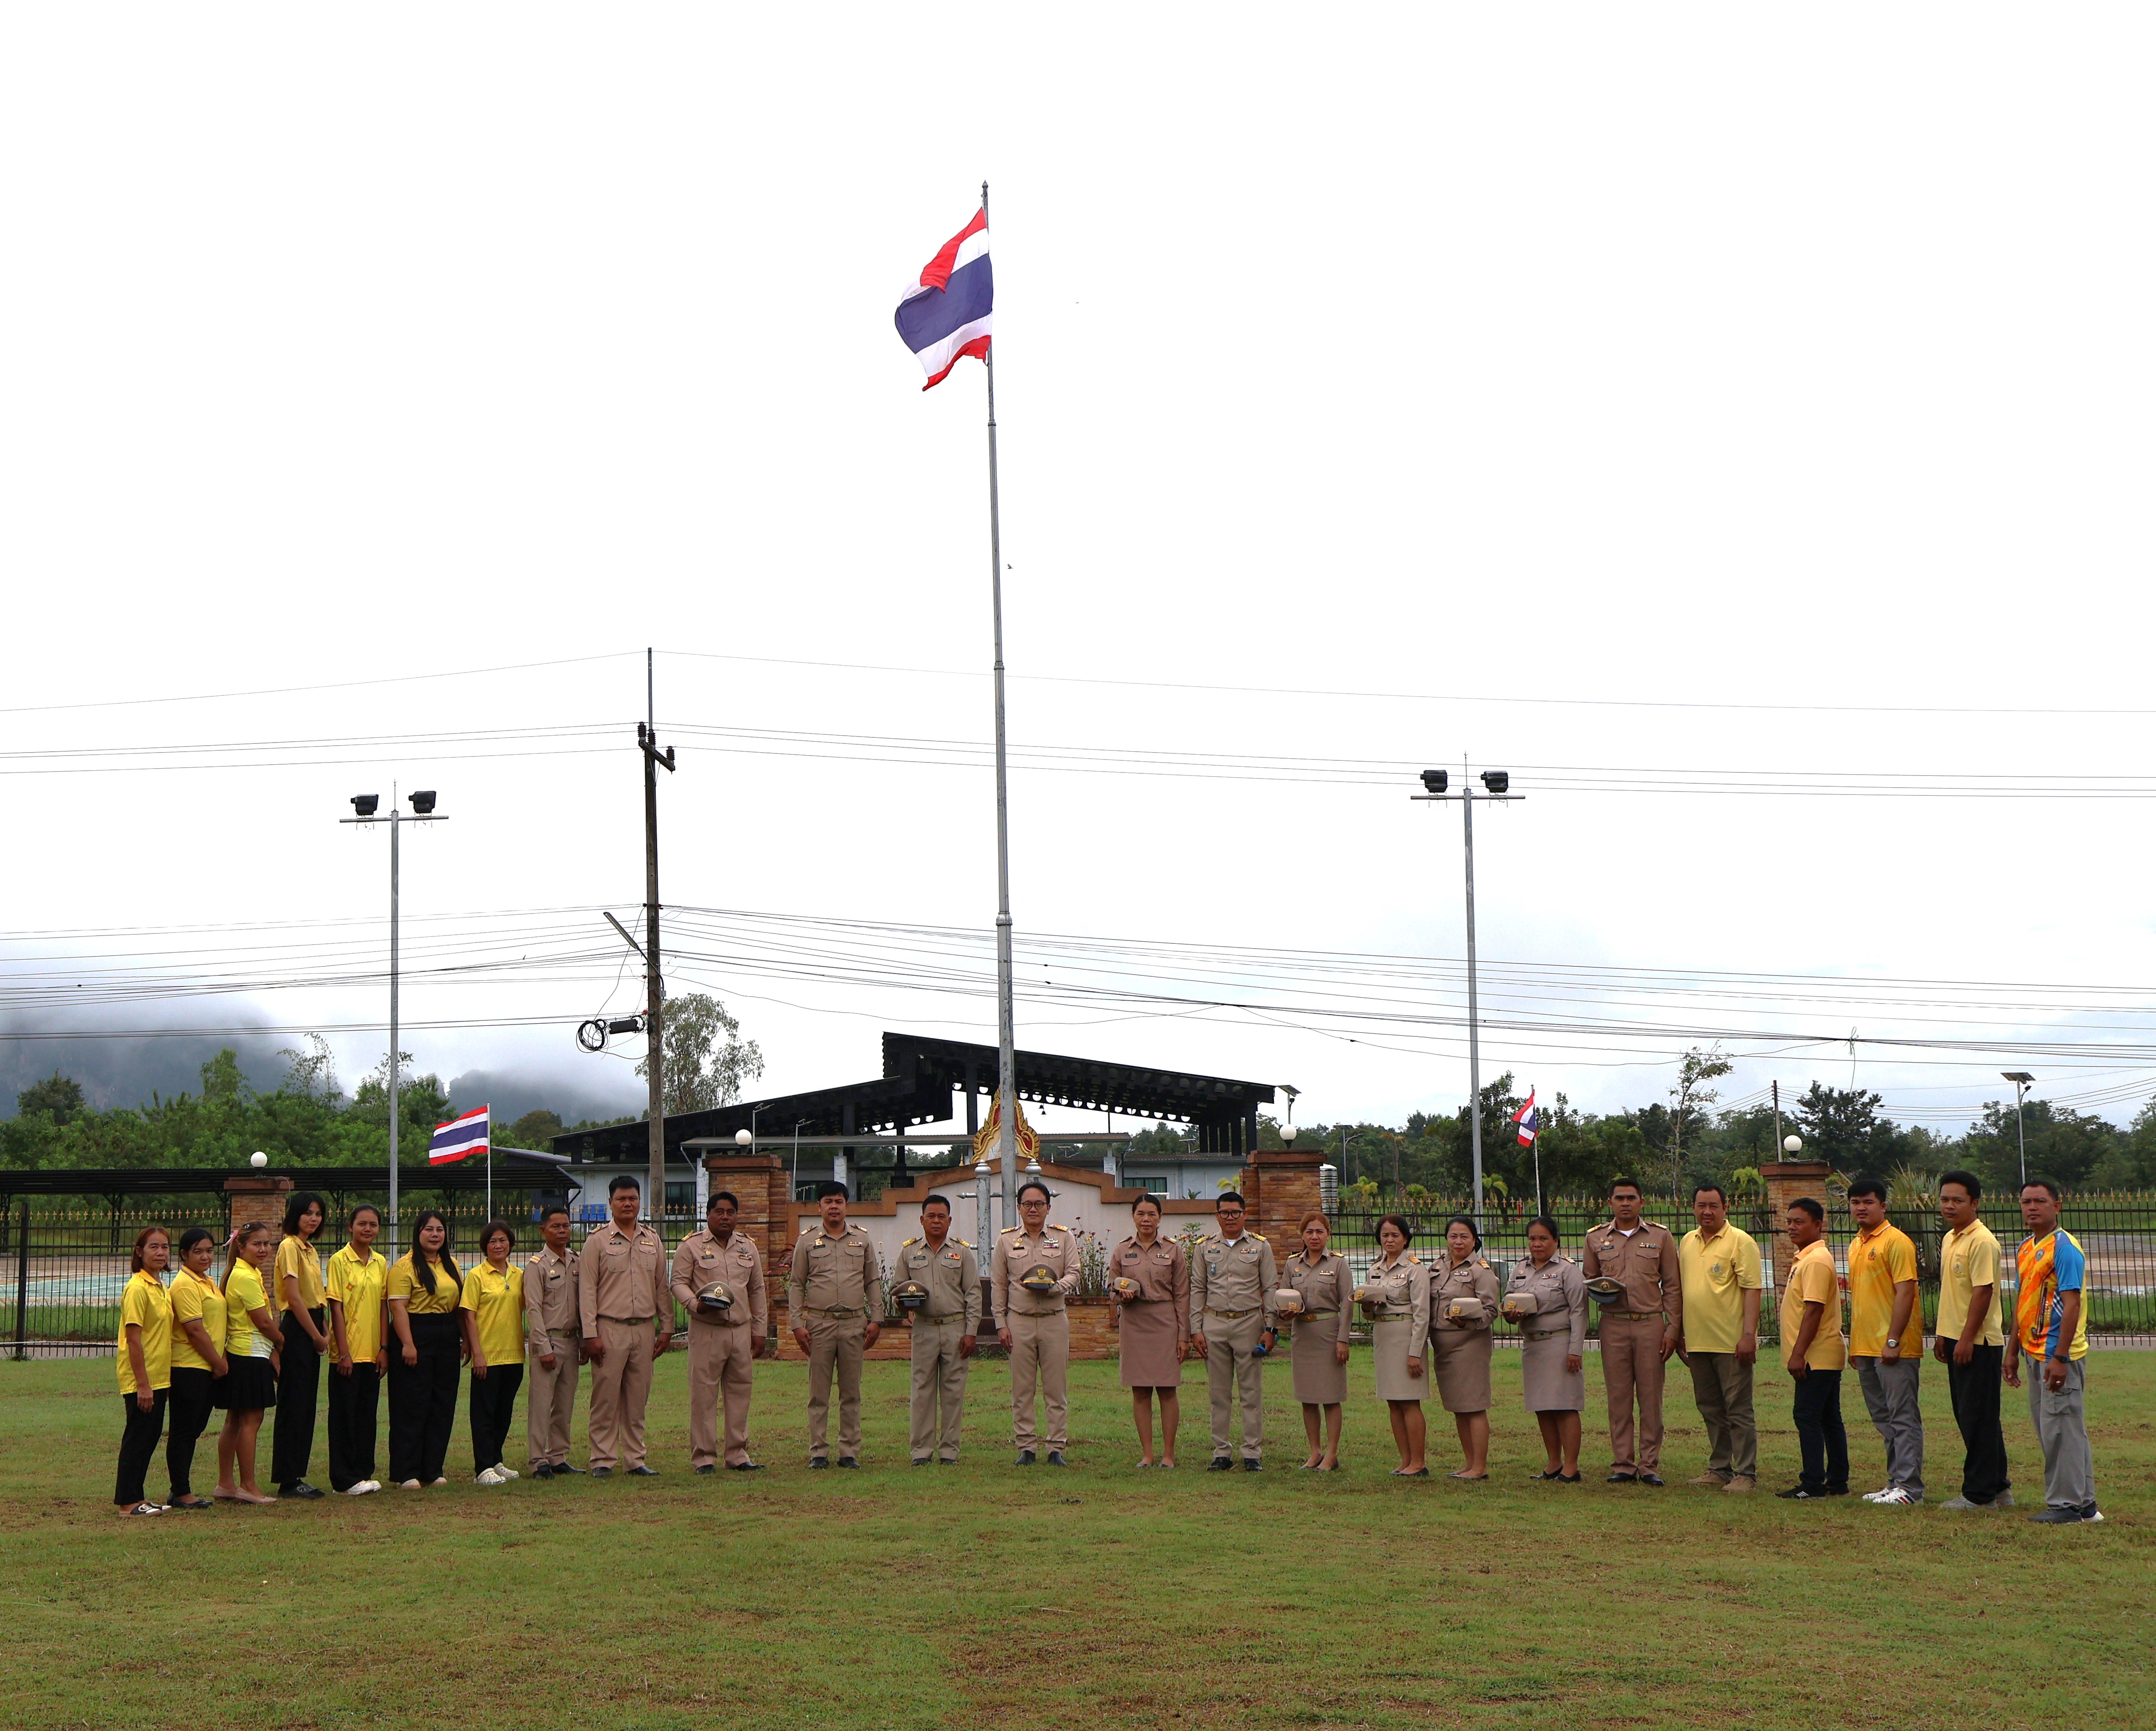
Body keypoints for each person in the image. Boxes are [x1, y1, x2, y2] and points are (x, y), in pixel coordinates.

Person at [2007, 1178, 2101, 1524]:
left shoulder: (2064, 1248)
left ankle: (2066, 1505)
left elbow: (2072, 1303)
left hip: (2058, 1354)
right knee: (2058, 1429)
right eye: (2026, 1202)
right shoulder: (2026, 1247)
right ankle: (2084, 1504)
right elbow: (2023, 1301)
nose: (2031, 1208)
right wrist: (2011, 1350)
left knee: (2061, 1428)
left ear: (2056, 1207)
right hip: (2033, 1350)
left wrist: (2060, 1358)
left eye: (2040, 1202)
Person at [1581, 1178, 1682, 1485]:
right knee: (1619, 1397)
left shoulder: (1660, 1237)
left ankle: (1648, 1464)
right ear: (1609, 1202)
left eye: (1631, 1198)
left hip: (1650, 1324)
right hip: (1613, 1324)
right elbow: (1589, 1278)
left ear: (1641, 1202)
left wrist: (1672, 1330)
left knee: (1650, 1397)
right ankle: (1623, 1464)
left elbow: (1673, 1287)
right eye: (1619, 1198)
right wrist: (1601, 1290)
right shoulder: (1596, 1238)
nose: (1625, 1203)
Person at [578, 1175, 673, 1478]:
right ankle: (603, 1459)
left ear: (640, 1202)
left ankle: (635, 1459)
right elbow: (587, 1292)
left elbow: (661, 1286)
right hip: (610, 1328)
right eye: (621, 1199)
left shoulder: (652, 1239)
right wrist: (590, 1334)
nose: (628, 1204)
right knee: (605, 1398)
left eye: (633, 1198)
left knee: (637, 1398)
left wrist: (667, 1327)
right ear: (610, 1203)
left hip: (644, 1329)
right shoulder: (596, 1241)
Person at [672, 1190, 770, 1474]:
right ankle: (703, 1457)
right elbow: (678, 1282)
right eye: (719, 1211)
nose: (725, 1217)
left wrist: (759, 1330)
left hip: (739, 1330)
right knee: (703, 1396)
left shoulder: (747, 1247)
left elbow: (757, 1290)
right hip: (707, 1330)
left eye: (731, 1212)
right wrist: (694, 1305)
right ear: (708, 1215)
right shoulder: (690, 1247)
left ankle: (738, 1454)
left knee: (740, 1394)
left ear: (737, 1216)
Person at [1675, 1182, 1764, 1494]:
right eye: (1701, 1205)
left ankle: (1746, 1473)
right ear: (1693, 1208)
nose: (1707, 1211)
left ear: (1725, 1208)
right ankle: (1719, 1468)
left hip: (1730, 1343)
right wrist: (1680, 1334)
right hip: (1698, 1343)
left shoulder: (1740, 1241)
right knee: (1710, 1408)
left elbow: (1752, 1289)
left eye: (1713, 1205)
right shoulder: (1687, 1242)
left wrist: (1748, 1336)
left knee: (1738, 1409)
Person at [788, 1181, 882, 1468]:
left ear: (846, 1206)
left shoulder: (862, 1240)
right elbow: (796, 1284)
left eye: (839, 1201)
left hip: (854, 1323)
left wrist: (877, 1319)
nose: (833, 1207)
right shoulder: (806, 1242)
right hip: (819, 1324)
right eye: (828, 1201)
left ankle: (848, 1452)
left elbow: (872, 1281)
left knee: (851, 1392)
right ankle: (818, 1451)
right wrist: (796, 1324)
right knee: (818, 1393)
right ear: (818, 1206)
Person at [1934, 1169, 2011, 1511]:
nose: (1949, 1206)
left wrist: (1965, 1339)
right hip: (1954, 1337)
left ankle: (1979, 1496)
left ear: (1975, 1203)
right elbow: (1953, 1293)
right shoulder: (1951, 1238)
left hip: (1978, 1342)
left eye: (1957, 1200)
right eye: (1944, 1200)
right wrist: (1943, 1335)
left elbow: (1983, 1293)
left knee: (1976, 1417)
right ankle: (1998, 1487)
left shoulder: (1982, 1241)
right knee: (1975, 1416)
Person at [1846, 1176, 1923, 1506]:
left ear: (1882, 1206)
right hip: (1865, 1347)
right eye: (1855, 1203)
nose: (1861, 1208)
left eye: (1868, 1202)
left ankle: (1910, 1488)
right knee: (1883, 1419)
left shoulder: (1896, 1242)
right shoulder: (1856, 1243)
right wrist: (1854, 1344)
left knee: (1902, 1416)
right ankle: (1894, 1482)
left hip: (1893, 1347)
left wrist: (1893, 1340)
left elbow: (1906, 1291)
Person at [993, 1178, 1080, 1466]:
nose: (1033, 1209)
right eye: (1028, 1204)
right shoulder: (1006, 1241)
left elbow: (1074, 1273)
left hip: (1054, 1320)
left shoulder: (1063, 1238)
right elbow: (998, 1285)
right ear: (1018, 1208)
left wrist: (1053, 1288)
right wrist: (1000, 1324)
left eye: (1039, 1204)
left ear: (1048, 1208)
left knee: (1056, 1389)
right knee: (1022, 1389)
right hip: (1019, 1321)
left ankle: (1056, 1448)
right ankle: (1026, 1447)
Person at [893, 1194, 979, 1467]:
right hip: (924, 1329)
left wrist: (971, 1331)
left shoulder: (962, 1252)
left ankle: (950, 1451)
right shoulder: (909, 1253)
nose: (937, 1221)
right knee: (922, 1391)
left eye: (942, 1216)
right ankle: (921, 1451)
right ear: (922, 1219)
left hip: (955, 1329)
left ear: (950, 1220)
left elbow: (973, 1294)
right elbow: (897, 1289)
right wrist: (904, 1308)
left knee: (953, 1392)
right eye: (931, 1216)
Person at [1775, 1197, 1849, 1500]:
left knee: (1806, 1415)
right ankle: (1836, 1480)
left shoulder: (1816, 1261)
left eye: (1799, 1222)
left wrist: (1798, 1353)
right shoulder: (1805, 1258)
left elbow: (1814, 1310)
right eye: (1789, 1221)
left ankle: (1813, 1483)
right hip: (1820, 1355)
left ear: (1818, 1225)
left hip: (1816, 1356)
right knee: (1828, 1417)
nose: (1791, 1227)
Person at [1110, 1193, 1189, 1468]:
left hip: (1166, 1322)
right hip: (1135, 1323)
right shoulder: (1122, 1251)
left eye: (1152, 1214)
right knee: (1140, 1391)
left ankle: (1168, 1454)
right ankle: (1148, 1454)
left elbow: (1183, 1295)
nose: (1146, 1219)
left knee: (1168, 1390)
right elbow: (1113, 1289)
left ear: (1160, 1217)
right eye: (1141, 1214)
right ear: (1133, 1216)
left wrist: (1184, 1335)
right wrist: (1122, 1296)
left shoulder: (1173, 1250)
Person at [386, 1210, 463, 1489]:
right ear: (418, 1233)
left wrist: (462, 1339)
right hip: (416, 1333)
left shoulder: (451, 1264)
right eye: (429, 1230)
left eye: (440, 1230)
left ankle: (432, 1468)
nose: (435, 1235)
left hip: (446, 1335)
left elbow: (458, 1307)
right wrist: (408, 1344)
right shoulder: (404, 1267)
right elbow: (398, 1308)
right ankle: (406, 1471)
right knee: (412, 1404)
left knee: (442, 1402)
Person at [1506, 1216, 1586, 1483]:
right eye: (1532, 1239)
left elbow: (1579, 1312)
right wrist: (1511, 1315)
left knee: (1564, 1406)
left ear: (1556, 1241)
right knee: (1542, 1406)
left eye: (1543, 1239)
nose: (1537, 1244)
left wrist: (1575, 1351)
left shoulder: (1568, 1271)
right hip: (1534, 1345)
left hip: (1560, 1343)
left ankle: (1571, 1467)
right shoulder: (1519, 1271)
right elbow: (1508, 1305)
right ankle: (1554, 1463)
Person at [213, 1221, 282, 1504]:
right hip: (251, 1354)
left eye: (267, 1244)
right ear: (241, 1247)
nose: (264, 1249)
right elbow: (263, 1321)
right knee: (251, 1420)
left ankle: (226, 1484)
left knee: (235, 1420)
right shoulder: (245, 1276)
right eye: (257, 1244)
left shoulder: (242, 1273)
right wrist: (281, 1342)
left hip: (240, 1353)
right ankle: (248, 1486)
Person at [268, 1191, 331, 1501]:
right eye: (308, 1213)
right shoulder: (289, 1247)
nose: (313, 1218)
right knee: (293, 1404)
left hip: (313, 1322)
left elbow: (316, 1293)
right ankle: (287, 1477)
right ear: (296, 1215)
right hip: (297, 1327)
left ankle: (296, 1474)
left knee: (306, 1405)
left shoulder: (310, 1250)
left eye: (318, 1214)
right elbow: (293, 1298)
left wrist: (325, 1327)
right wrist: (316, 1335)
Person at [1427, 1216, 1499, 1481]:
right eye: (1453, 1236)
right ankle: (1469, 1464)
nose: (1458, 1242)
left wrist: (1469, 1321)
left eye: (1464, 1237)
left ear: (1474, 1240)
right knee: (1458, 1406)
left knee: (1474, 1405)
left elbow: (1491, 1310)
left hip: (1469, 1344)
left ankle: (1479, 1466)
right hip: (1442, 1345)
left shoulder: (1481, 1271)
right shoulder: (1437, 1267)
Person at [324, 1203, 388, 1496]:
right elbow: (335, 1308)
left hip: (372, 1353)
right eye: (362, 1224)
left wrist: (384, 1348)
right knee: (343, 1417)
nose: (368, 1229)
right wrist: (344, 1352)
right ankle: (344, 1478)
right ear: (351, 1227)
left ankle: (363, 1472)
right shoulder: (339, 1261)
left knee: (366, 1415)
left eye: (373, 1225)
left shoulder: (381, 1263)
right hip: (347, 1354)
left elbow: (383, 1307)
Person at [165, 1226, 229, 1511]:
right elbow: (194, 1330)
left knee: (194, 1428)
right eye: (198, 1252)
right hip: (189, 1367)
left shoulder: (206, 1281)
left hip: (206, 1367)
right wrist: (218, 1362)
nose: (205, 1257)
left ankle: (180, 1490)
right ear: (184, 1255)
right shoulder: (185, 1284)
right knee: (184, 1430)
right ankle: (181, 1492)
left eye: (210, 1251)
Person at [1282, 1211, 1352, 1471]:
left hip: (1329, 1332)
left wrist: (1342, 1340)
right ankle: (1315, 1452)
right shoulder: (1293, 1265)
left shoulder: (1338, 1264)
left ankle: (1332, 1454)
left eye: (1320, 1232)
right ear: (1302, 1235)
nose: (1315, 1237)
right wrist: (1284, 1312)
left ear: (1328, 1235)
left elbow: (1347, 1304)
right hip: (1303, 1333)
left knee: (1331, 1397)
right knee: (1308, 1397)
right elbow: (1283, 1296)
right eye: (1309, 1232)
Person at [114, 1227, 174, 1517]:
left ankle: (138, 1497)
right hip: (143, 1378)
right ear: (140, 1252)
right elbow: (133, 1339)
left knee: (149, 1438)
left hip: (160, 1375)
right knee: (138, 1437)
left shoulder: (160, 1286)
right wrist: (143, 1385)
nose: (160, 1253)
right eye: (154, 1247)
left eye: (165, 1247)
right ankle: (128, 1502)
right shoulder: (137, 1288)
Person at [1364, 1214, 1429, 1477]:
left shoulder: (1416, 1269)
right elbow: (1368, 1312)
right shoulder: (1375, 1269)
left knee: (1410, 1402)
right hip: (1384, 1335)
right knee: (1393, 1402)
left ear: (1406, 1239)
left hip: (1406, 1337)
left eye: (1395, 1235)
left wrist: (1415, 1353)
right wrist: (1369, 1306)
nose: (1389, 1240)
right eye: (1385, 1235)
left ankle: (1419, 1462)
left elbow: (1422, 1313)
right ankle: (1405, 1460)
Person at [463, 1221, 527, 1485]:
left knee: (504, 1411)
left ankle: (496, 1459)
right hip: (487, 1356)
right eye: (492, 1242)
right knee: (484, 1413)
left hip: (514, 1355)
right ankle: (483, 1467)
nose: (498, 1246)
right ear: (485, 1247)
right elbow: (468, 1315)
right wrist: (477, 1353)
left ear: (511, 1244)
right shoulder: (477, 1276)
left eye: (503, 1241)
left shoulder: (519, 1275)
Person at [522, 1204, 584, 1480]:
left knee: (565, 1402)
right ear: (543, 1230)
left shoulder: (576, 1260)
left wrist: (584, 1341)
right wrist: (542, 1347)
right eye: (556, 1227)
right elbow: (533, 1310)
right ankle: (538, 1460)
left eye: (566, 1226)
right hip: (548, 1342)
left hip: (572, 1342)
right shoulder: (537, 1267)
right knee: (541, 1403)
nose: (562, 1231)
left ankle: (558, 1456)